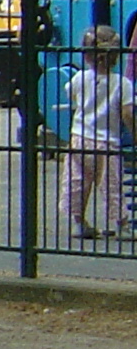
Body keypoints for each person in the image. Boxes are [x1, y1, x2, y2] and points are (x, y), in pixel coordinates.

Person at [62, 24, 137, 239]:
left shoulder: (79, 79)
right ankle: (121, 223)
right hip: (106, 142)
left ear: (86, 56)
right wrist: (134, 133)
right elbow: (127, 114)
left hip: (79, 138)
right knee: (111, 184)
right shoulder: (122, 84)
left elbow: (71, 95)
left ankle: (79, 222)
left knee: (78, 181)